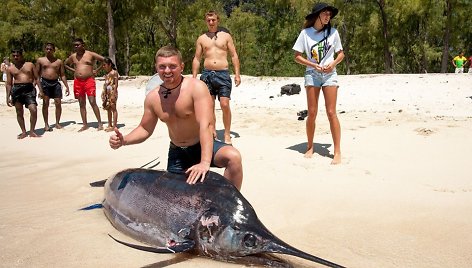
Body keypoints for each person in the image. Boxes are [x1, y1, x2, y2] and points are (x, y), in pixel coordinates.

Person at [109, 45, 243, 190]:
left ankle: (230, 205)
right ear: (156, 67)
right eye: (162, 67)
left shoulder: (196, 88)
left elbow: (206, 125)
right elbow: (145, 128)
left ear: (181, 66)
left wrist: (205, 162)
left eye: (172, 66)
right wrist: (124, 140)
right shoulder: (153, 97)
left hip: (202, 146)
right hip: (178, 153)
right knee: (175, 196)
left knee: (233, 157)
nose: (167, 71)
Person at [292, 2, 345, 164]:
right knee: (312, 113)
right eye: (325, 14)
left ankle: (337, 151)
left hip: (330, 74)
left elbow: (341, 54)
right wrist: (313, 64)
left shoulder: (334, 33)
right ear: (317, 15)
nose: (328, 16)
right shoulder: (305, 33)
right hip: (312, 74)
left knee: (331, 112)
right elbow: (297, 56)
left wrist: (333, 64)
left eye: (330, 14)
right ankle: (310, 146)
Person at [192, 10, 241, 145]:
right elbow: (197, 58)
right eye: (209, 20)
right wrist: (194, 77)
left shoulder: (226, 36)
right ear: (206, 21)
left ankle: (226, 133)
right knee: (209, 105)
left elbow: (233, 55)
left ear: (218, 20)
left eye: (213, 20)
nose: (211, 22)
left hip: (223, 74)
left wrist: (237, 74)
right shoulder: (202, 38)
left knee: (224, 104)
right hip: (207, 74)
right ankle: (212, 131)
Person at [64, 38, 104, 131]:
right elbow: (65, 64)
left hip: (89, 80)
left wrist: (97, 70)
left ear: (83, 45)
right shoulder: (73, 56)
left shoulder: (90, 54)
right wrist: (75, 71)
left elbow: (104, 60)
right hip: (78, 81)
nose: (76, 46)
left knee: (92, 101)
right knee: (81, 103)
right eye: (74, 45)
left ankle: (99, 123)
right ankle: (85, 124)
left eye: (78, 45)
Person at [5, 49, 42, 139]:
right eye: (13, 56)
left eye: (17, 55)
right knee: (19, 111)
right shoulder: (10, 68)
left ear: (22, 56)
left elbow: (37, 78)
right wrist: (7, 97)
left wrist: (41, 90)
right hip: (17, 89)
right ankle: (24, 132)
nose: (15, 57)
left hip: (29, 88)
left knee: (33, 109)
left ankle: (32, 131)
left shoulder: (30, 65)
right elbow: (9, 83)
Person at [36, 42, 70, 131]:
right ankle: (46, 124)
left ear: (54, 50)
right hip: (45, 83)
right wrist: (37, 87)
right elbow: (37, 75)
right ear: (45, 49)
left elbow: (62, 75)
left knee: (58, 103)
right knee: (45, 103)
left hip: (55, 83)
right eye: (47, 49)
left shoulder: (58, 62)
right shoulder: (40, 60)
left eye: (50, 49)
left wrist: (67, 86)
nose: (48, 51)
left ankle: (57, 123)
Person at [101, 57, 119, 132]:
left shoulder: (114, 72)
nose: (103, 66)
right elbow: (106, 84)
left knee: (113, 108)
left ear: (109, 64)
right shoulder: (107, 74)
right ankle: (109, 124)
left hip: (112, 92)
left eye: (105, 65)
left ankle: (114, 126)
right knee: (108, 109)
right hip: (107, 93)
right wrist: (103, 93)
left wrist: (113, 94)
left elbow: (116, 84)